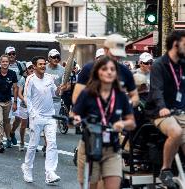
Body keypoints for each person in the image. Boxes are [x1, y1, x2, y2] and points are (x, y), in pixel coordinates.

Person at [72, 56, 136, 189]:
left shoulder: (121, 95)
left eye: (113, 69)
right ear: (97, 72)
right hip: (90, 147)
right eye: (105, 69)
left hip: (112, 150)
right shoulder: (87, 93)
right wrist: (76, 119)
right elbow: (74, 114)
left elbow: (132, 122)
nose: (109, 72)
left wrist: (123, 124)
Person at [145, 30, 185, 188]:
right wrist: (162, 107)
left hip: (180, 110)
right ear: (176, 44)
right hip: (159, 112)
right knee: (176, 131)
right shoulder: (159, 64)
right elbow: (156, 90)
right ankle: (165, 169)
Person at [21, 56, 61, 184]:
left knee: (52, 143)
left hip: (50, 116)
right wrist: (33, 115)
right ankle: (27, 168)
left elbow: (56, 94)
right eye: (40, 64)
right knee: (33, 145)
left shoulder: (49, 78)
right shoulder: (30, 79)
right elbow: (27, 98)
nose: (43, 66)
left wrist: (61, 89)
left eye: (44, 64)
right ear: (34, 66)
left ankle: (50, 173)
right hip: (36, 117)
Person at [72, 34, 139, 107]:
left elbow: (135, 96)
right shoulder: (88, 69)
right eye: (114, 54)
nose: (116, 58)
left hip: (116, 116)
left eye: (119, 55)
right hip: (92, 116)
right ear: (106, 50)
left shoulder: (125, 71)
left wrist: (127, 105)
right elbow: (76, 97)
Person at [6, 46, 26, 147]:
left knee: (18, 118)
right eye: (9, 54)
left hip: (18, 95)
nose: (12, 56)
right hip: (7, 95)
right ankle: (8, 139)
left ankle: (12, 132)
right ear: (6, 55)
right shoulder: (3, 65)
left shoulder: (20, 65)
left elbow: (26, 75)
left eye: (13, 53)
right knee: (8, 119)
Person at [17, 61, 34, 151]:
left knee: (33, 126)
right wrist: (25, 100)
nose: (31, 69)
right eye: (29, 68)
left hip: (35, 106)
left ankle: (32, 144)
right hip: (24, 105)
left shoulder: (37, 78)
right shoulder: (23, 79)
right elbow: (19, 93)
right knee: (23, 126)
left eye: (32, 67)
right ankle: (22, 142)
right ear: (26, 70)